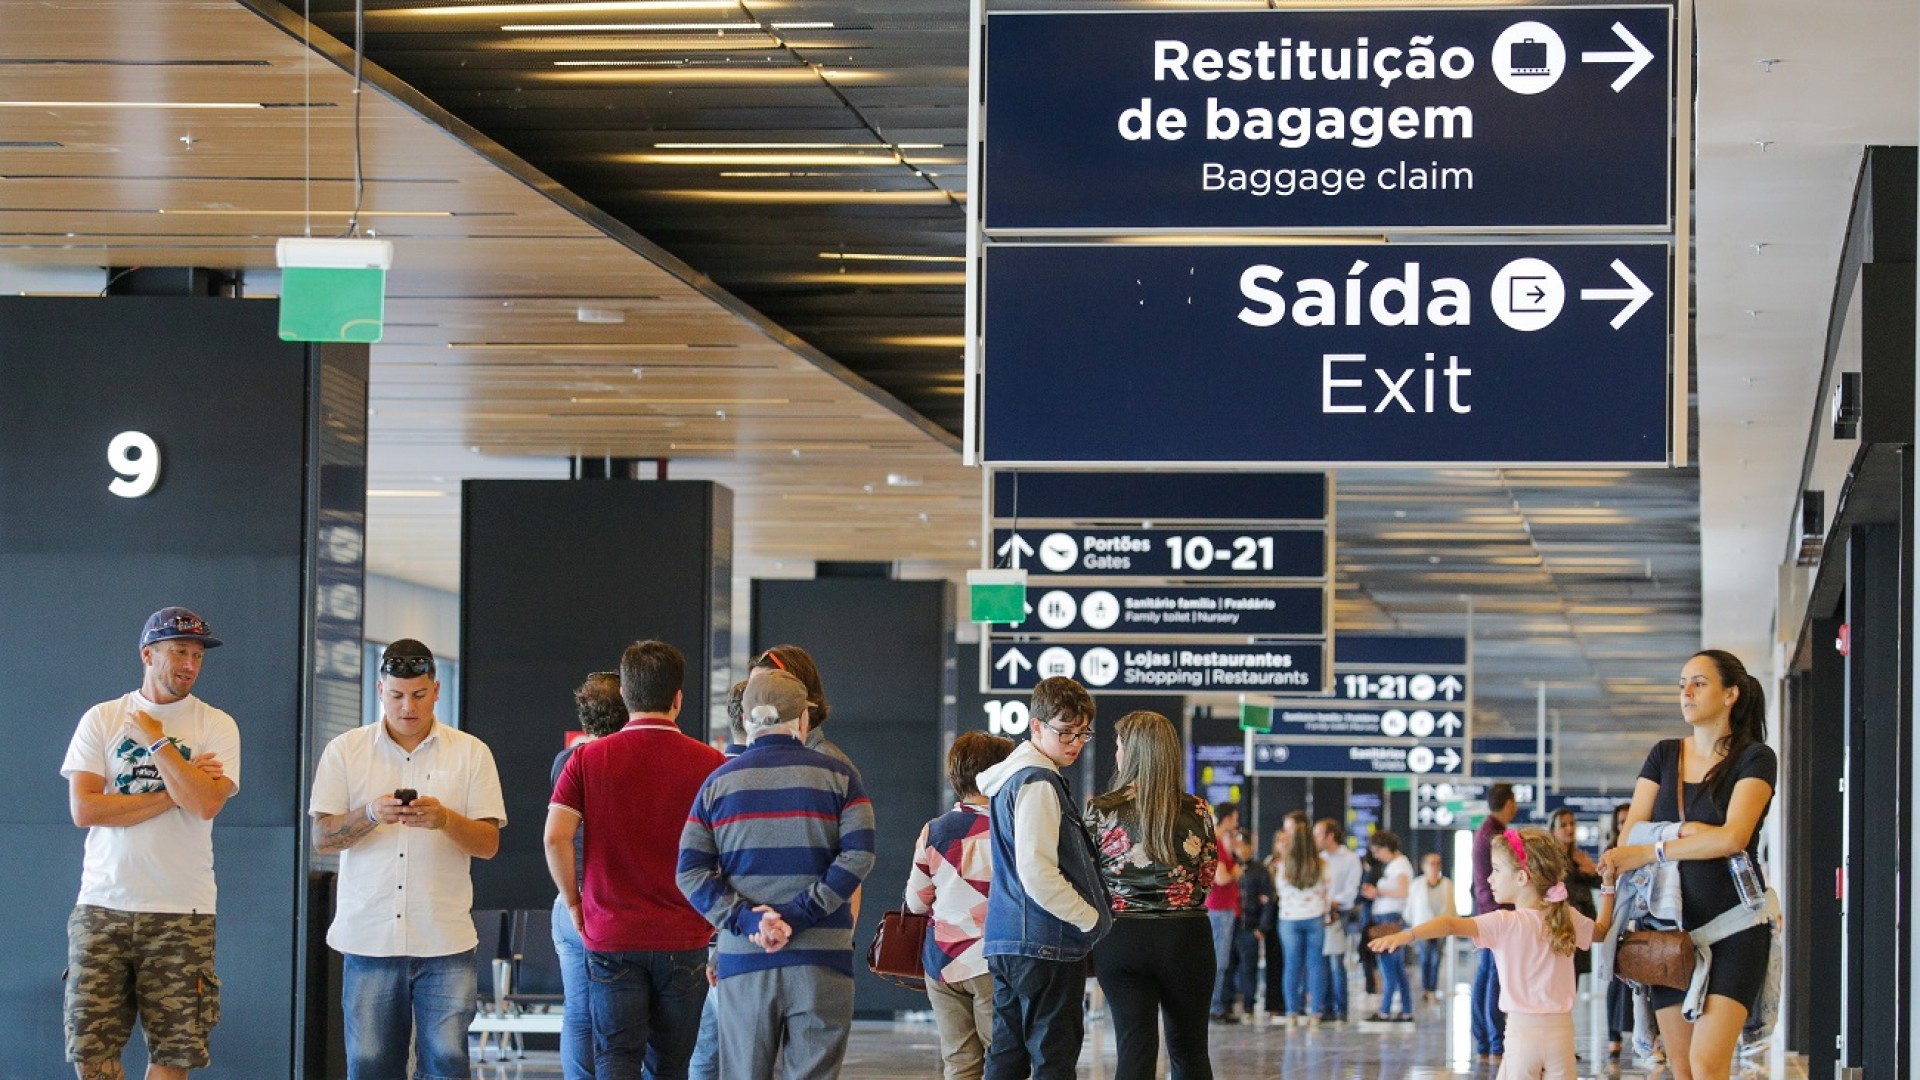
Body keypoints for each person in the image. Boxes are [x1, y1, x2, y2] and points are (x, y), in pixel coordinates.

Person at [310, 639, 506, 1080]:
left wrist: (444, 820)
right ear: (380, 690)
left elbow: (488, 843)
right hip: (369, 939)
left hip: (445, 940)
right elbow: (322, 839)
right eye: (397, 695)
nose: (408, 707)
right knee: (370, 1065)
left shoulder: (471, 753)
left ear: (436, 690)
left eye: (418, 695)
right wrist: (371, 814)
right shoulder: (345, 750)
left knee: (448, 1064)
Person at [61, 606, 239, 1080]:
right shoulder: (102, 719)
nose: (190, 664)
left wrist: (159, 745)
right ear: (147, 654)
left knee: (174, 1053)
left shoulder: (216, 725)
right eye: (179, 651)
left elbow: (205, 805)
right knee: (90, 1048)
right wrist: (177, 789)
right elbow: (86, 809)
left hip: (183, 909)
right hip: (103, 905)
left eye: (198, 655)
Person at [678, 669, 876, 1079]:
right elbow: (859, 855)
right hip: (822, 964)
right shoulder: (841, 778)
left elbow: (690, 871)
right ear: (803, 721)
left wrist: (749, 920)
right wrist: (797, 914)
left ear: (747, 721)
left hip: (745, 961)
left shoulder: (717, 785)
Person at [547, 641, 726, 1079]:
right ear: (678, 698)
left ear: (625, 696)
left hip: (611, 935)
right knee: (670, 1066)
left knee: (614, 1060)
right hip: (684, 936)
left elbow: (555, 839)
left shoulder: (585, 760)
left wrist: (574, 903)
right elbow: (729, 851)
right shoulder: (713, 765)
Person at [1600, 650, 1777, 1080]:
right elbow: (1628, 836)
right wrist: (1684, 832)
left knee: (1707, 1064)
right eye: (1682, 684)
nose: (1686, 693)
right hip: (1668, 933)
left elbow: (1732, 837)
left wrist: (1653, 848)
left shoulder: (1755, 758)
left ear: (1731, 693)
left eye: (1699, 683)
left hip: (1736, 926)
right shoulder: (1664, 756)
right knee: (1682, 1070)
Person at [1370, 827, 1615, 1080]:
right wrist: (1608, 886)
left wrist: (1406, 935)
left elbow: (1450, 924)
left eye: (1496, 870)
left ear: (1522, 877)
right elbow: (1602, 931)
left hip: (1522, 1037)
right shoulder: (1566, 917)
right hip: (1562, 1036)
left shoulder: (1505, 922)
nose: (1489, 878)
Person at [977, 676, 1111, 1080]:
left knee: (1007, 1055)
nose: (1075, 742)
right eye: (1064, 731)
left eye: (1082, 732)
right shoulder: (1037, 782)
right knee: (1053, 1058)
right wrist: (1091, 919)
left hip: (1006, 940)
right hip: (1045, 944)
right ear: (1036, 726)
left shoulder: (1009, 781)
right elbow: (1037, 872)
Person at [1085, 711, 1218, 1080]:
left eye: (1118, 745)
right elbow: (1207, 873)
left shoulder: (1101, 810)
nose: (1116, 753)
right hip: (1186, 937)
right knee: (1190, 1051)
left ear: (1133, 751)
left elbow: (1089, 877)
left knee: (1135, 1049)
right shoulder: (1197, 810)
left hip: (1122, 936)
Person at [906, 731, 1016, 1080]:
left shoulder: (934, 830)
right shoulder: (1010, 830)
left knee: (959, 1062)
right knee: (1003, 1060)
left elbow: (915, 903)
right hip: (991, 960)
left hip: (941, 962)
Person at [548, 671, 627, 1080]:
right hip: (611, 903)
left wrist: (571, 899)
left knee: (578, 1014)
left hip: (569, 901)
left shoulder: (567, 761)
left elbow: (556, 838)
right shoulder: (623, 763)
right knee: (624, 1018)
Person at [688, 679, 752, 1080]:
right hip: (753, 936)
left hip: (704, 934)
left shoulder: (705, 777)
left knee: (705, 1055)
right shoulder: (763, 780)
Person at [1471, 782, 1521, 1060]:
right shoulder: (1495, 836)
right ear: (1510, 803)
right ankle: (1495, 1041)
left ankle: (1485, 1041)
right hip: (1497, 911)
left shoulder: (1485, 832)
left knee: (1486, 976)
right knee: (1495, 977)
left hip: (1487, 909)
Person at [1273, 810, 1328, 1028]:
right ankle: (1315, 1013)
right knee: (1315, 965)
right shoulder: (1322, 864)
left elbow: (1279, 889)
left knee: (1292, 966)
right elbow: (1328, 889)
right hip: (1315, 918)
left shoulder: (1284, 865)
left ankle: (1292, 1013)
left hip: (1289, 919)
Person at [1361, 831, 1414, 1021]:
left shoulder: (1399, 865)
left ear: (1386, 847)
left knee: (1388, 968)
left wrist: (1378, 892)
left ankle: (1384, 1010)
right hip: (1388, 919)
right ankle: (1406, 1010)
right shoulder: (1396, 864)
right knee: (1397, 970)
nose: (1376, 856)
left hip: (1390, 920)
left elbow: (1402, 890)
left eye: (1377, 851)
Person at [1315, 817, 1362, 1022]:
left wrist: (1333, 902)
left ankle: (1340, 1008)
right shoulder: (1319, 859)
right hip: (1320, 912)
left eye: (1318, 834)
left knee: (1336, 961)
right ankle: (1324, 1007)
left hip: (1339, 913)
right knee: (1321, 962)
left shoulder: (1350, 859)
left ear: (1330, 835)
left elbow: (1351, 891)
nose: (1315, 838)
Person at [1548, 808, 1602, 980]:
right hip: (1560, 928)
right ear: (1553, 831)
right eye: (1563, 825)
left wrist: (1593, 871)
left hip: (1580, 927)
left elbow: (1601, 884)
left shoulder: (1579, 859)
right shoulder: (1550, 862)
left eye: (1572, 824)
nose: (1569, 829)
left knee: (1573, 980)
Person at [1204, 802, 1244, 1021]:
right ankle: (1215, 1006)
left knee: (1219, 958)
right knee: (1219, 959)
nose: (1236, 824)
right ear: (1227, 818)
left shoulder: (1214, 841)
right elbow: (1222, 878)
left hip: (1218, 907)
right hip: (1219, 907)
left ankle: (1215, 1004)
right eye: (1235, 818)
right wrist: (1238, 869)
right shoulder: (1217, 843)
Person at [1603, 802, 1634, 1058]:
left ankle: (1653, 1037)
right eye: (1621, 822)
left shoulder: (1643, 849)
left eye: (1628, 820)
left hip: (1640, 919)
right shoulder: (1610, 853)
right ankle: (1613, 1036)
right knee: (1615, 980)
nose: (1625, 826)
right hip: (1616, 923)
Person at [1406, 852, 1457, 1002]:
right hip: (1423, 927)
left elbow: (1452, 906)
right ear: (1424, 866)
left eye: (1437, 863)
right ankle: (1425, 988)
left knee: (1436, 959)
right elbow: (1410, 907)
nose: (1434, 866)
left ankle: (1432, 989)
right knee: (1424, 958)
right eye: (1431, 863)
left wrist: (1455, 925)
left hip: (1441, 928)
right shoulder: (1417, 884)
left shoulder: (1447, 884)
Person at [1233, 832, 1272, 1020]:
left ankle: (1249, 1006)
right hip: (1231, 925)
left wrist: (1262, 928)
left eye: (1245, 845)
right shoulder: (1229, 867)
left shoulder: (1260, 870)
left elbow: (1268, 900)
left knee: (1249, 969)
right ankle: (1226, 1005)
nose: (1242, 849)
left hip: (1251, 926)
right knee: (1227, 966)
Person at [1260, 826, 1289, 1018]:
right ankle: (1273, 1002)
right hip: (1272, 914)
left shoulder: (1296, 864)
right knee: (1273, 960)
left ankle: (1291, 1001)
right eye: (1279, 840)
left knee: (1290, 959)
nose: (1282, 844)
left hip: (1291, 912)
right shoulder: (1269, 863)